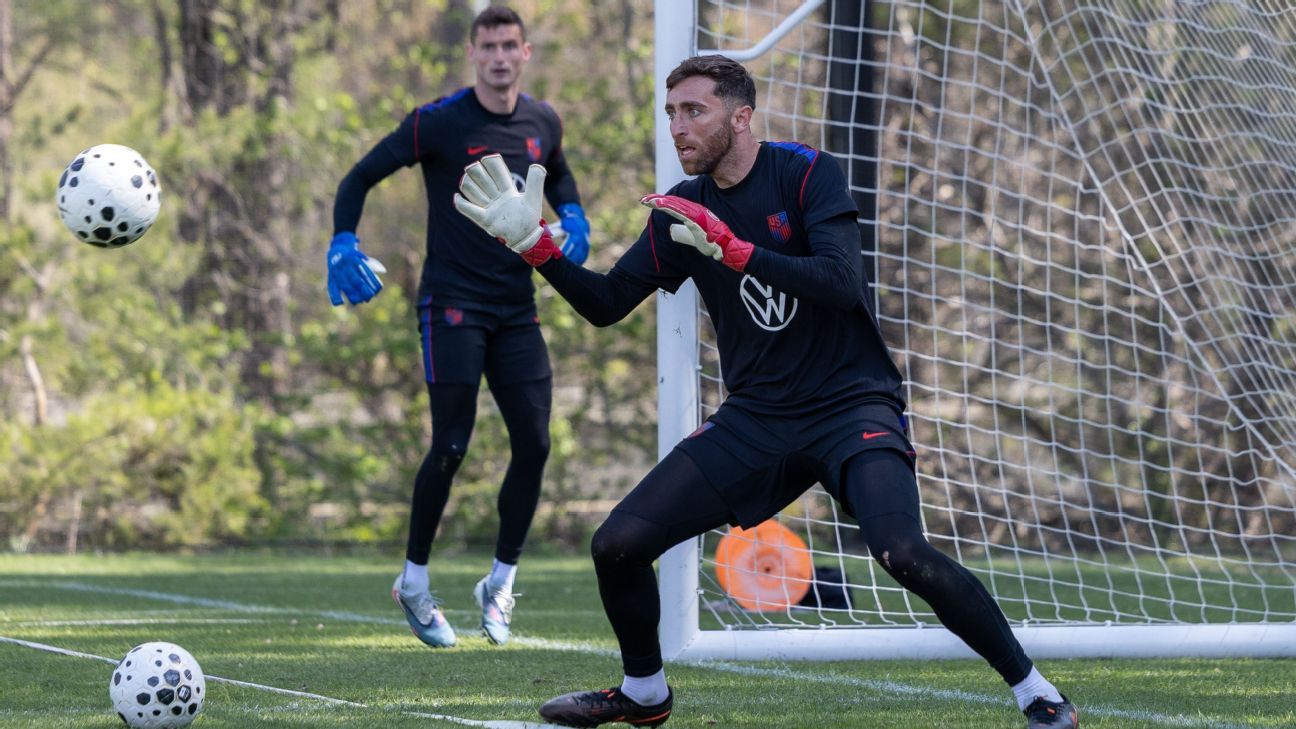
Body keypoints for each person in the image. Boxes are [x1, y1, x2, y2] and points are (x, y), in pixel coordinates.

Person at [452, 54, 1080, 728]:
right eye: (671, 114)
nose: (678, 127)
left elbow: (841, 283)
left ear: (741, 115)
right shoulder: (680, 210)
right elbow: (606, 304)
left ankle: (1035, 690)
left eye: (693, 111)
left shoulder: (806, 173)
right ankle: (643, 693)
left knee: (900, 550)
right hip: (758, 418)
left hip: (851, 405)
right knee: (618, 543)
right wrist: (537, 250)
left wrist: (739, 252)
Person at [326, 5, 591, 649]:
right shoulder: (438, 123)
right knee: (451, 445)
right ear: (472, 53)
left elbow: (558, 175)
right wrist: (341, 242)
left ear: (525, 53)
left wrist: (576, 218)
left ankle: (498, 584)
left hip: (516, 306)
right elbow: (359, 176)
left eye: (510, 45)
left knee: (535, 443)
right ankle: (413, 583)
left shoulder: (543, 120)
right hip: (451, 305)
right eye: (488, 46)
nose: (499, 56)